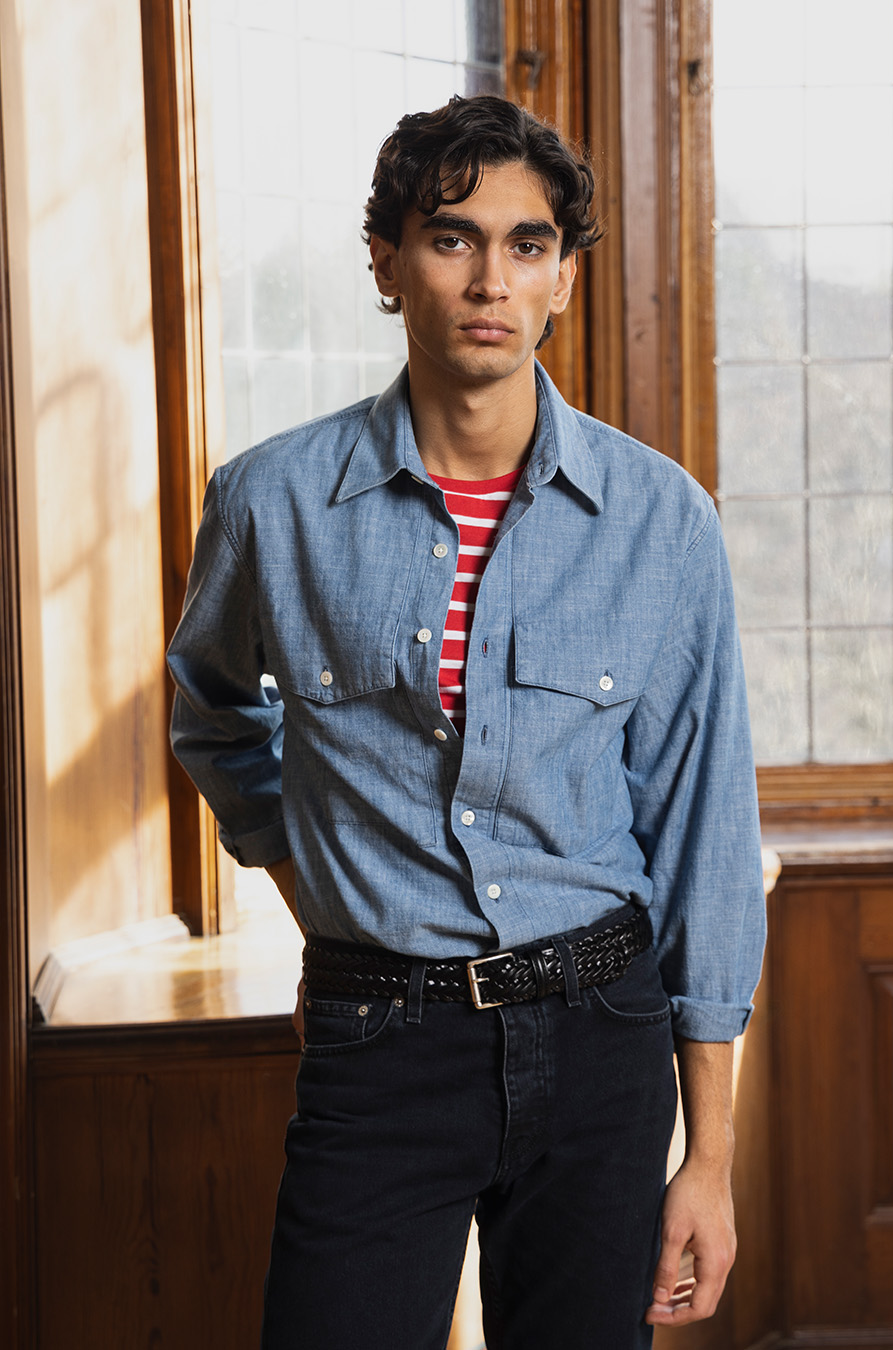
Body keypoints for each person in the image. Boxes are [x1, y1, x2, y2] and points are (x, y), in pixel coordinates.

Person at [168, 94, 765, 1350]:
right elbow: (214, 718)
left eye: (527, 244)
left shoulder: (663, 521)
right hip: (378, 1037)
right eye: (452, 238)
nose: (491, 279)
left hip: (602, 1037)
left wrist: (709, 1157)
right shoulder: (272, 504)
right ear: (386, 264)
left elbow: (702, 832)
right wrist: (320, 890)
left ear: (562, 279)